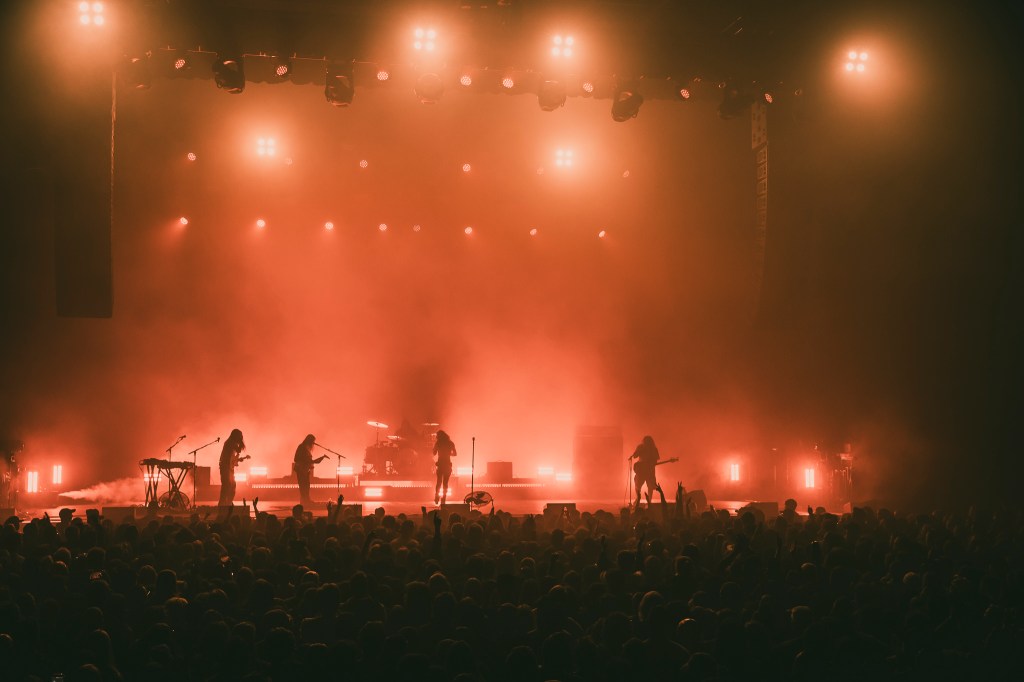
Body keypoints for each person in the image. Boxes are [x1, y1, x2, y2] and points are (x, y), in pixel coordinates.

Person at [293, 434, 327, 507]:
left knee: (307, 486)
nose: (313, 444)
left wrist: (320, 458)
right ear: (309, 441)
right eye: (313, 442)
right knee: (303, 487)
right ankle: (304, 502)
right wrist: (306, 461)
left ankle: (306, 500)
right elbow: (295, 459)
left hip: (305, 470)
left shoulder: (307, 448)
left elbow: (310, 461)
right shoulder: (301, 447)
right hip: (301, 470)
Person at [629, 435, 662, 508]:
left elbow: (655, 460)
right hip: (644, 470)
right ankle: (641, 499)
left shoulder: (652, 449)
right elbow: (635, 455)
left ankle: (645, 500)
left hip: (646, 470)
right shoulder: (645, 448)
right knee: (641, 485)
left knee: (646, 485)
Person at [218, 429, 247, 507]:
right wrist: (240, 444)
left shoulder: (231, 443)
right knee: (227, 486)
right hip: (226, 467)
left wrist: (239, 459)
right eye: (240, 436)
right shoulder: (230, 443)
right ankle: (223, 505)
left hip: (228, 467)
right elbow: (237, 451)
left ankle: (226, 504)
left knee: (231, 486)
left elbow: (232, 458)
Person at [432, 429, 457, 505]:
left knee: (439, 482)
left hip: (440, 464)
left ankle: (437, 496)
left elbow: (434, 453)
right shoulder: (450, 443)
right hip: (447, 465)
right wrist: (449, 454)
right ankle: (444, 499)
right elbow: (455, 454)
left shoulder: (438, 443)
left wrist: (434, 449)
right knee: (445, 483)